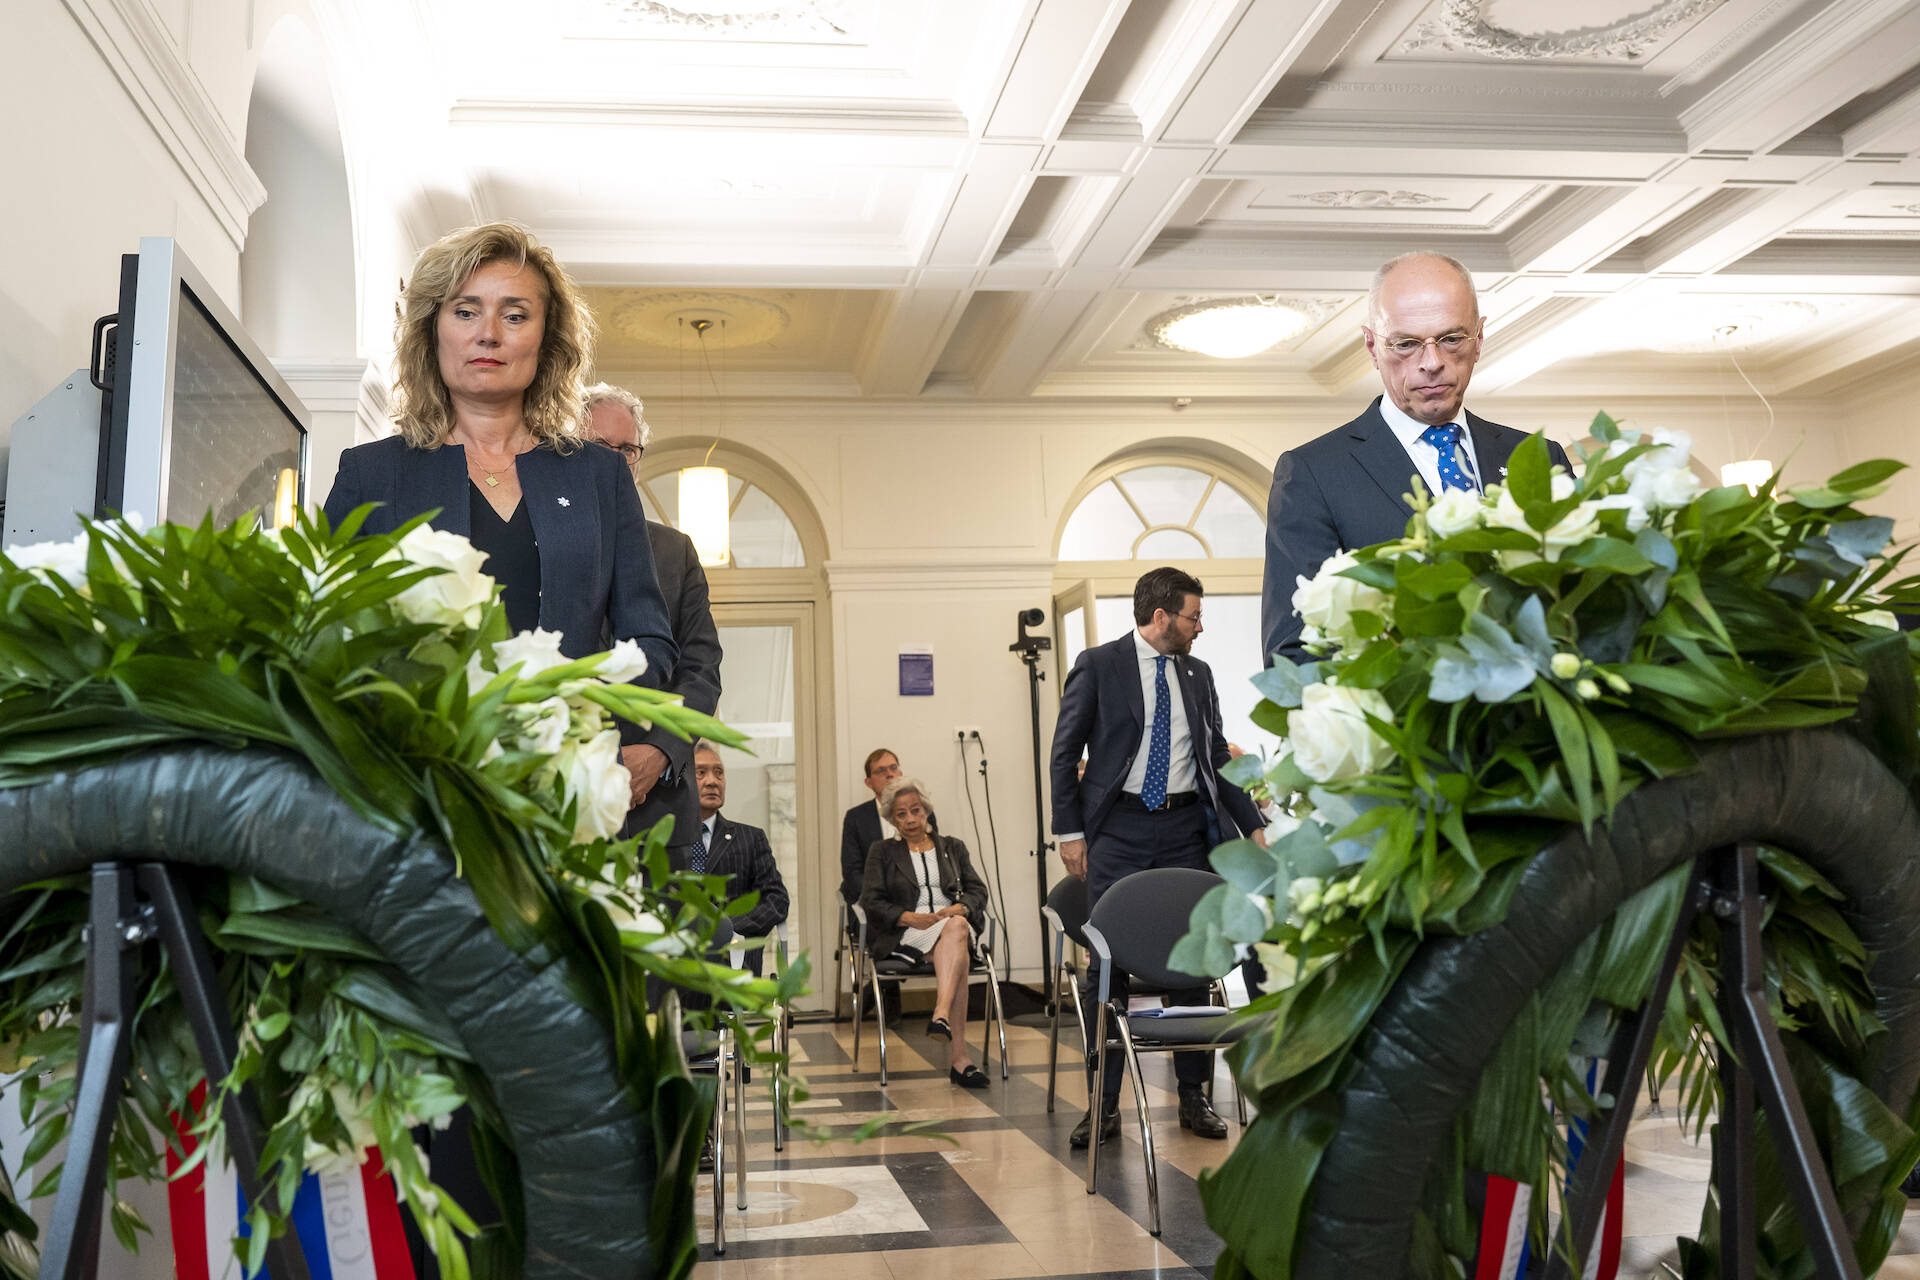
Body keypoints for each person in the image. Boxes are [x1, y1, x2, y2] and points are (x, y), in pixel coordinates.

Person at [320, 222, 677, 1276]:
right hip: (425, 827)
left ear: (547, 337)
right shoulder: (373, 470)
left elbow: (650, 634)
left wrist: (624, 727)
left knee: (564, 1085)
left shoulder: (597, 479)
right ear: (432, 328)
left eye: (515, 312)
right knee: (445, 1084)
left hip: (567, 822)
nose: (489, 332)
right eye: (466, 309)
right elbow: (335, 642)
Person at [1260, 251, 1573, 665]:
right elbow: (1294, 654)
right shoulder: (1314, 474)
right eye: (1406, 344)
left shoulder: (1536, 459)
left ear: (1479, 338)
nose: (1432, 363)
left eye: (1451, 339)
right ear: (1372, 346)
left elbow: (1585, 609)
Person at [1049, 567, 1265, 1149]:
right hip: (1116, 830)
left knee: (1193, 957)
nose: (1201, 627)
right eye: (1194, 616)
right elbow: (1065, 749)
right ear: (1162, 616)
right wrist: (1069, 833)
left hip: (1186, 828)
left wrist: (1253, 826)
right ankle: (1103, 1104)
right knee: (1109, 963)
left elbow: (1218, 753)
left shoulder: (1198, 673)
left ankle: (1194, 1096)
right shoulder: (1099, 665)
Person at [581, 382, 724, 858]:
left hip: (660, 810)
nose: (617, 460)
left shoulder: (674, 551)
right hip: (563, 795)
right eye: (602, 447)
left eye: (628, 449)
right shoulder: (532, 538)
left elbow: (701, 669)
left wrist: (659, 752)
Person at [857, 778, 992, 1090]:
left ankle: (940, 1014)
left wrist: (960, 908)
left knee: (956, 929)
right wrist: (908, 917)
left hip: (951, 928)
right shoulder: (882, 852)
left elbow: (978, 891)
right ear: (892, 819)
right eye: (901, 814)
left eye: (915, 811)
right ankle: (961, 1060)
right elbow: (871, 900)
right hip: (906, 934)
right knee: (957, 956)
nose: (910, 820)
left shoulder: (952, 848)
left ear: (926, 811)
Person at [688, 743, 788, 976]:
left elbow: (776, 900)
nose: (712, 781)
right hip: (681, 957)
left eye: (719, 772)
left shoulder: (750, 838)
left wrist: (729, 928)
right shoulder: (668, 838)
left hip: (736, 956)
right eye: (701, 773)